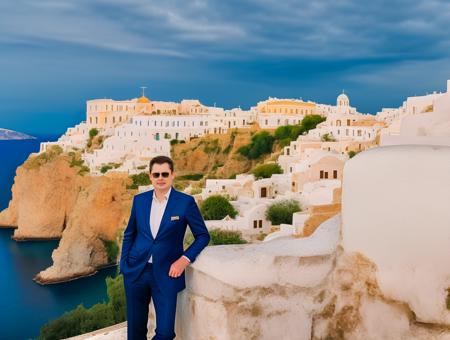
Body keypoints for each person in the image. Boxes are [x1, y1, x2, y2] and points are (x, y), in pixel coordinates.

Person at [120, 155, 210, 340]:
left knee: (166, 333)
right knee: (135, 330)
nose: (160, 178)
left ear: (172, 175)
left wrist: (184, 260)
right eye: (156, 174)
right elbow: (130, 234)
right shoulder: (140, 200)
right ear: (150, 177)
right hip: (136, 271)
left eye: (164, 174)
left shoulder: (185, 202)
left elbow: (203, 236)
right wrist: (125, 265)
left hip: (168, 273)